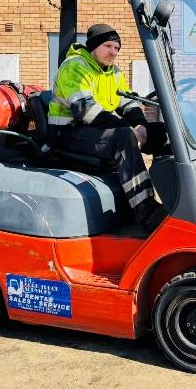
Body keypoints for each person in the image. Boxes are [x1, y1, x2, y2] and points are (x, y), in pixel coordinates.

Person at [48, 23, 167, 233]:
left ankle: (177, 198)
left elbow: (127, 103)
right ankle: (147, 212)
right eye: (108, 46)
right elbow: (86, 111)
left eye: (116, 48)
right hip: (67, 134)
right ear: (94, 46)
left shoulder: (112, 72)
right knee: (123, 138)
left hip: (91, 130)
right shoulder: (75, 67)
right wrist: (130, 131)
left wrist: (141, 126)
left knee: (163, 132)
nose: (113, 52)